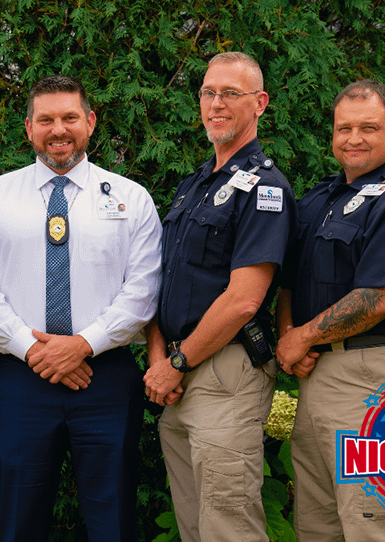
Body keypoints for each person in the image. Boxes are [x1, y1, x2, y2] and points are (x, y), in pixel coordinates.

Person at [0, 74, 162, 541]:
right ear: (28, 128)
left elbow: (144, 290)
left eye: (70, 117)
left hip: (106, 380)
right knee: (20, 521)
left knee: (114, 522)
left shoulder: (132, 199)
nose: (58, 129)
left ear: (90, 122)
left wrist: (83, 345)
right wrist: (37, 351)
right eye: (45, 119)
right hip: (22, 381)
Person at [143, 52, 297, 542]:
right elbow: (163, 285)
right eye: (208, 93)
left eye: (231, 93)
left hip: (223, 375)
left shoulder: (265, 188)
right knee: (195, 527)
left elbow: (243, 302)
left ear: (261, 103)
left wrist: (178, 362)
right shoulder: (193, 187)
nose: (216, 104)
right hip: (176, 377)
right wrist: (159, 363)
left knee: (229, 527)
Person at [276, 79, 385, 541]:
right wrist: (288, 338)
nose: (353, 139)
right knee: (316, 521)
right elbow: (288, 281)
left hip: (367, 383)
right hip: (315, 375)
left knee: (368, 517)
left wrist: (300, 338)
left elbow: (376, 298)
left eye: (370, 128)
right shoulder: (319, 198)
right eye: (344, 128)